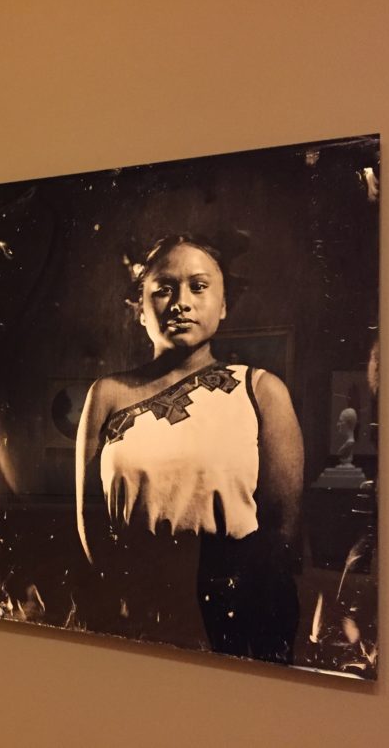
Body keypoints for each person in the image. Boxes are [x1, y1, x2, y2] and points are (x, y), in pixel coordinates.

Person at [74, 234, 303, 663]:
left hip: (234, 610)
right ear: (139, 309)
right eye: (163, 288)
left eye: (199, 286)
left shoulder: (261, 390)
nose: (181, 301)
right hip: (132, 606)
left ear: (223, 304)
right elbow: (89, 522)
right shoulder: (107, 393)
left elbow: (281, 532)